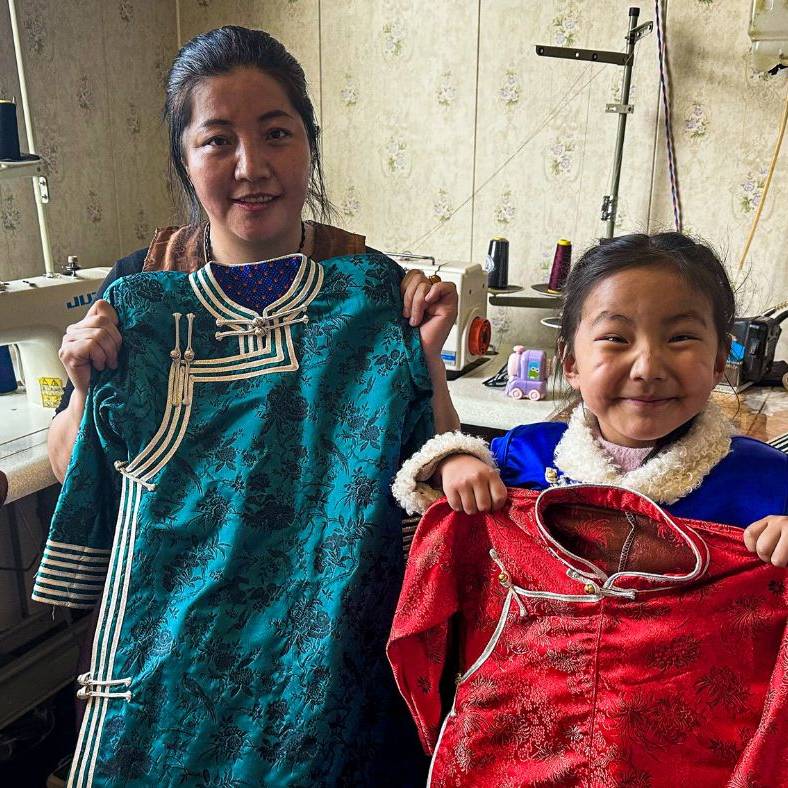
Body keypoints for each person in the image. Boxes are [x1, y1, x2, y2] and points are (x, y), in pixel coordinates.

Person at [40, 26, 459, 786]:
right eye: (217, 141)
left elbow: (427, 474)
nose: (251, 167)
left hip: (328, 650)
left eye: (275, 134)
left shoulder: (369, 285)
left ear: (309, 145)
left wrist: (427, 355)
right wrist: (84, 384)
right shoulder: (140, 289)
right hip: (178, 643)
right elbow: (84, 468)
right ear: (184, 159)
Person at [393, 232, 788, 559]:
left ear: (719, 361)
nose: (647, 368)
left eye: (680, 337)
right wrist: (451, 460)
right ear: (571, 364)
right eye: (616, 338)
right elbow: (447, 490)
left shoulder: (769, 482)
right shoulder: (521, 458)